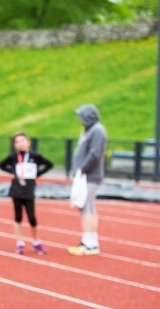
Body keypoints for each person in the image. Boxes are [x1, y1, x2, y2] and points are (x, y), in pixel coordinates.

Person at [0, 132, 53, 255]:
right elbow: (1, 165)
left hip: (29, 189)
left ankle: (36, 241)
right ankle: (20, 242)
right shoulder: (13, 157)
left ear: (28, 142)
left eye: (23, 140)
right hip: (16, 189)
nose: (21, 143)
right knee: (18, 217)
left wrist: (37, 174)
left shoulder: (35, 156)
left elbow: (49, 165)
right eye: (17, 141)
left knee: (32, 217)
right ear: (14, 145)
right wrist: (11, 171)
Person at [68, 104, 107, 256]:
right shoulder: (90, 129)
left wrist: (81, 169)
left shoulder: (97, 130)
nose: (80, 120)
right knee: (88, 206)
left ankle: (89, 243)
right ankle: (90, 241)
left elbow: (95, 154)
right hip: (85, 175)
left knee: (85, 206)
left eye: (82, 116)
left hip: (89, 175)